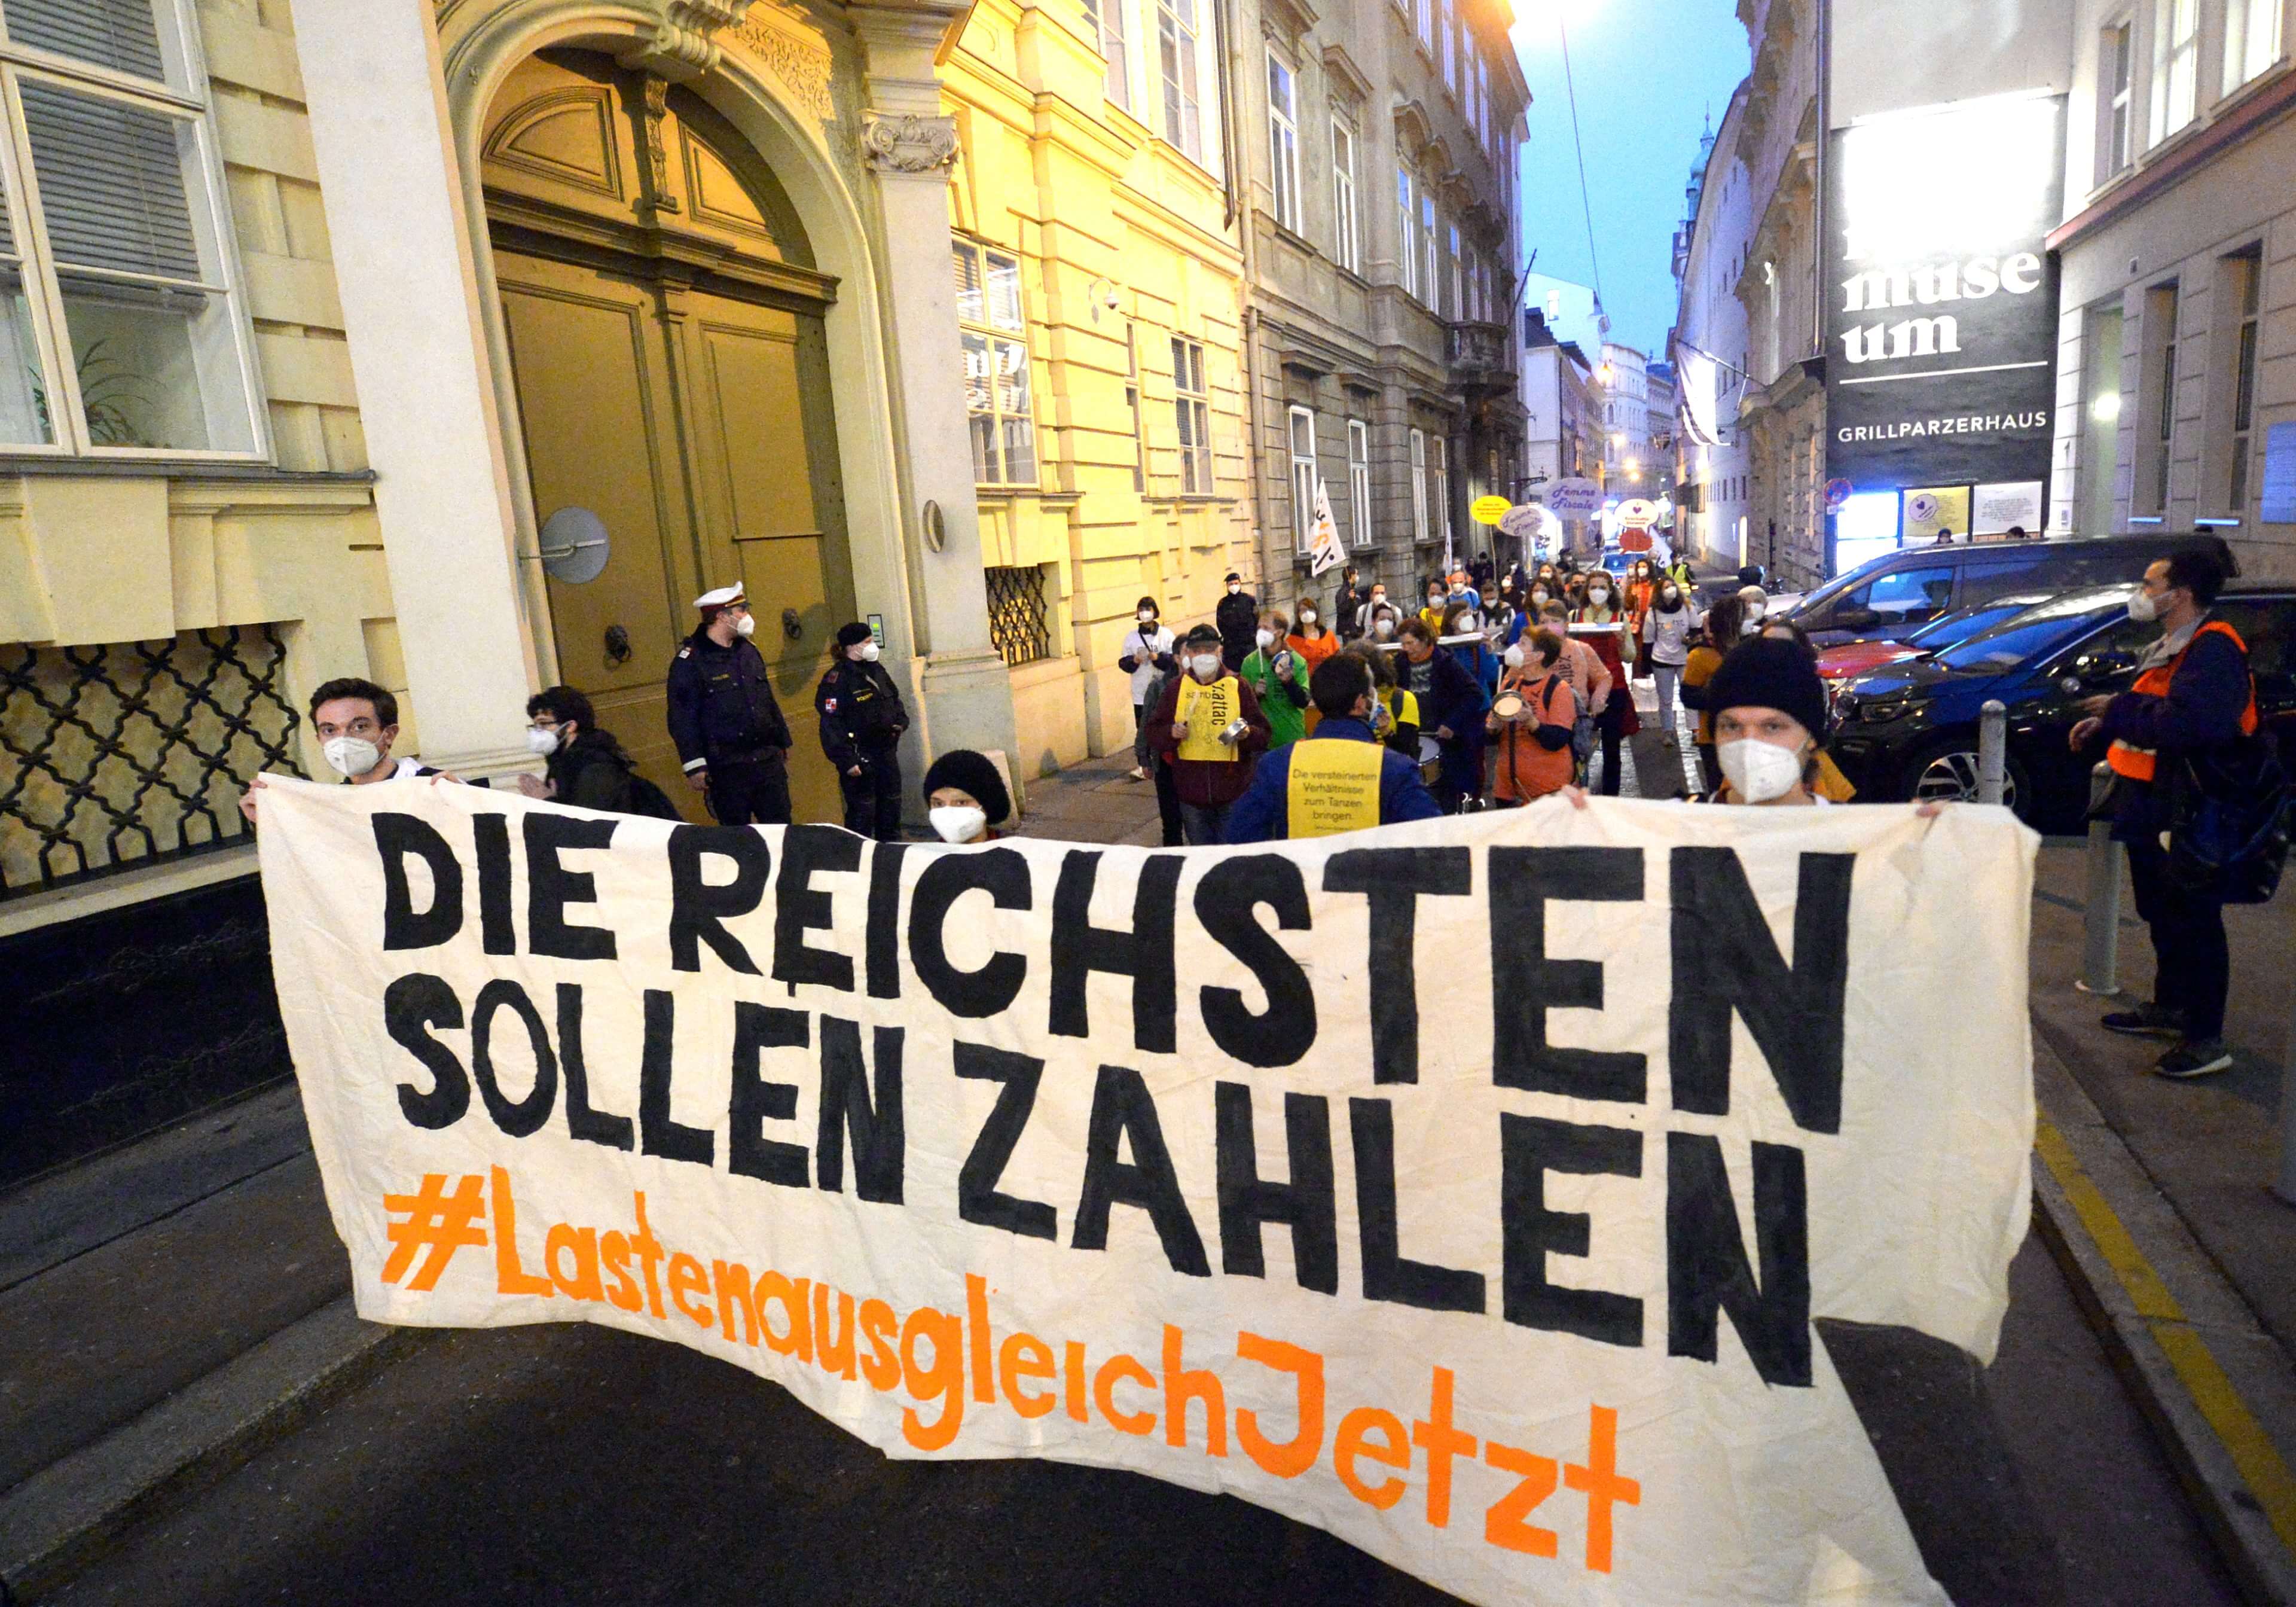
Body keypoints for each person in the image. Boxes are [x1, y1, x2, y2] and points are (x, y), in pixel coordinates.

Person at [2071, 551, 2256, 1080]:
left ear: (2182, 594)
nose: (2143, 592)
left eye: (2151, 584)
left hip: (2189, 808)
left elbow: (2191, 726)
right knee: (2162, 911)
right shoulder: (2174, 645)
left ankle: (2205, 1037)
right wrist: (2108, 724)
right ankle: (2171, 1005)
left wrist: (2118, 710)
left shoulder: (2214, 648)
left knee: (2195, 919)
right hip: (2153, 802)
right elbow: (2153, 710)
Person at [1224, 654, 1444, 841]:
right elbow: (1433, 838)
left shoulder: (1277, 764)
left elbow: (1240, 835)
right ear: (1360, 703)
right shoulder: (1395, 768)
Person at [667, 583, 795, 826]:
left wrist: (781, 742)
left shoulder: (748, 651)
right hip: (728, 767)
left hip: (766, 761)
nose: (747, 616)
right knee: (737, 837)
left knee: (781, 830)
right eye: (741, 610)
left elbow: (766, 699)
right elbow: (682, 718)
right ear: (722, 617)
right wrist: (694, 765)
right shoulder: (691, 661)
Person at [238, 676, 451, 822]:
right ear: (319, 739)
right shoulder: (333, 806)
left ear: (389, 734)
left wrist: (464, 801)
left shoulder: (434, 787)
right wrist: (266, 822)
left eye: (359, 727)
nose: (343, 740)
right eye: (330, 730)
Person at [1147, 624, 1271, 843]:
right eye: (1197, 651)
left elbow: (1264, 734)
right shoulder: (1176, 689)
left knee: (1231, 854)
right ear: (1188, 654)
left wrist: (1248, 733)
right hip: (1192, 796)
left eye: (1209, 650)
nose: (1203, 655)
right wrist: (1171, 733)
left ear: (1219, 651)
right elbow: (1153, 732)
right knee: (1201, 855)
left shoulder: (1238, 687)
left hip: (1232, 793)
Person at [1696, 637, 1836, 808]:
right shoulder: (1677, 821)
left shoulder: (1853, 824)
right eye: (1732, 726)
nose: (1749, 744)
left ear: (1811, 737)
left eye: (1772, 727)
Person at [817, 622, 910, 841]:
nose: (872, 646)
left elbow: (893, 698)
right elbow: (831, 725)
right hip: (860, 757)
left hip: (886, 751)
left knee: (891, 807)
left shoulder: (876, 669)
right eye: (867, 642)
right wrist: (847, 760)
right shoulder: (837, 680)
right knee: (862, 814)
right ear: (852, 646)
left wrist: (900, 722)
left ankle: (890, 854)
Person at [516, 686, 673, 816]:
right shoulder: (561, 759)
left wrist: (548, 802)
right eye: (535, 725)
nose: (538, 731)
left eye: (544, 724)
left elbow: (589, 825)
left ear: (570, 726)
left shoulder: (596, 766)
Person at [1398, 617, 1484, 812]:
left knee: (1446, 796)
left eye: (1411, 643)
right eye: (1403, 644)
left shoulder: (1446, 663)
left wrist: (1452, 724)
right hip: (1415, 739)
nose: (1406, 649)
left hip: (1445, 743)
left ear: (1424, 640)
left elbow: (1474, 694)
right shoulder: (1400, 664)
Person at [1488, 629, 1580, 806]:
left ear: (1538, 656)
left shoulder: (1559, 689)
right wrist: (1493, 727)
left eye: (1522, 643)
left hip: (1548, 791)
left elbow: (1558, 740)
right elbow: (1490, 735)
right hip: (1507, 790)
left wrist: (1531, 722)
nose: (1515, 647)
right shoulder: (1509, 685)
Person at [1573, 575, 1640, 794]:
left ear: (1610, 591)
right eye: (1593, 587)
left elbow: (1630, 656)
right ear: (1587, 590)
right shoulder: (1575, 616)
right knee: (1578, 746)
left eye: (1602, 587)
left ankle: (1611, 797)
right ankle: (1579, 793)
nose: (1597, 591)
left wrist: (1622, 643)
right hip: (1582, 689)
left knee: (1612, 747)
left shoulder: (1619, 617)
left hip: (1614, 689)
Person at [1678, 593, 1747, 792]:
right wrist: (1723, 694)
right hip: (1714, 739)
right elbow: (1689, 697)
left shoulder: (1750, 650)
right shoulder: (1700, 655)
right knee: (1720, 794)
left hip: (1749, 735)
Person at [1541, 598, 1610, 777]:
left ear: (1566, 625)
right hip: (1542, 725)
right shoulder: (1531, 653)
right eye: (1543, 622)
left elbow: (1604, 677)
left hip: (1576, 724)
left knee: (1576, 777)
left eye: (1555, 621)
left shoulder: (1582, 649)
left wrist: (1598, 699)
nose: (1548, 626)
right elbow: (1511, 682)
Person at [1119, 596, 1177, 782]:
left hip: (1163, 690)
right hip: (1141, 691)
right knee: (1143, 727)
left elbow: (1174, 660)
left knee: (1163, 725)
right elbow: (1123, 663)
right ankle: (1143, 763)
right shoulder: (1131, 637)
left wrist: (1157, 658)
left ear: (1155, 611)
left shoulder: (1166, 635)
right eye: (1141, 609)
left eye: (1148, 609)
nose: (1145, 613)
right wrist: (1134, 660)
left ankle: (1163, 759)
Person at [1132, 652, 1186, 847]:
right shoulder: (1160, 685)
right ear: (1178, 657)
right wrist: (1144, 758)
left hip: (1194, 765)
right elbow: (1147, 724)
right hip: (1167, 763)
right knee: (1171, 821)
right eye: (1189, 652)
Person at [1641, 575, 1697, 746]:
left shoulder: (1687, 607)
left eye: (1672, 586)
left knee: (1690, 695)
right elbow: (1648, 639)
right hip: (1662, 660)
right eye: (1666, 587)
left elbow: (1696, 628)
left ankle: (1695, 730)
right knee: (1665, 699)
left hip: (1684, 658)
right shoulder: (1654, 613)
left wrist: (1690, 639)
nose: (1670, 589)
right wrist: (1646, 666)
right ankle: (1668, 731)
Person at [1242, 610, 1311, 751]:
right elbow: (1241, 705)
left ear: (1279, 632)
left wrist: (1289, 682)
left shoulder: (1296, 661)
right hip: (1262, 742)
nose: (1261, 632)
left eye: (1266, 628)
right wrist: (1254, 693)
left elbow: (1303, 701)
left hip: (1291, 739)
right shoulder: (1249, 662)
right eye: (1259, 628)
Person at [1344, 639, 1421, 760]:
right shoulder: (1344, 702)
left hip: (1389, 767)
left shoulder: (1403, 699)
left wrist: (1386, 731)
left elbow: (1407, 752)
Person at [921, 749, 1013, 844]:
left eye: (961, 803)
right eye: (939, 804)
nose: (948, 813)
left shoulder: (1013, 850)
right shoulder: (924, 853)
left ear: (988, 805)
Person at [1287, 597, 1341, 677]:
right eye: (1303, 610)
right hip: (1306, 681)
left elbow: (1338, 659)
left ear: (1316, 612)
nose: (1307, 613)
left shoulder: (1328, 635)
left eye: (1311, 609)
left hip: (1328, 679)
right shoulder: (1292, 640)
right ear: (1298, 614)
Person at [1216, 571, 1259, 671]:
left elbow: (1257, 618)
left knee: (1251, 670)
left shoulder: (1249, 600)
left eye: (1236, 583)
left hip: (1249, 644)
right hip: (1232, 647)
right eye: (1231, 584)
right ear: (1227, 586)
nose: (1234, 586)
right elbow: (1220, 623)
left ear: (1240, 584)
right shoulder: (1223, 603)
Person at [1333, 567, 1369, 642]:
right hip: (1349, 631)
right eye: (1356, 574)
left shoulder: (1354, 590)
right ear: (1352, 575)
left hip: (1357, 629)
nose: (1357, 576)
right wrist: (1350, 600)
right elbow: (1341, 610)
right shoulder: (1343, 592)